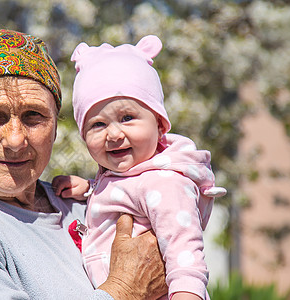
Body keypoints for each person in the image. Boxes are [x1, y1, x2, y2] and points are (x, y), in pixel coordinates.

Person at [0, 26, 168, 299]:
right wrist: (125, 290)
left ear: (55, 128)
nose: (15, 140)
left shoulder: (85, 205)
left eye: (34, 116)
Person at [52, 36, 227, 300]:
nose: (113, 134)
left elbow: (186, 258)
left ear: (159, 124)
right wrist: (89, 189)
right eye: (98, 124)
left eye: (127, 118)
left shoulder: (166, 184)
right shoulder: (128, 175)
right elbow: (122, 193)